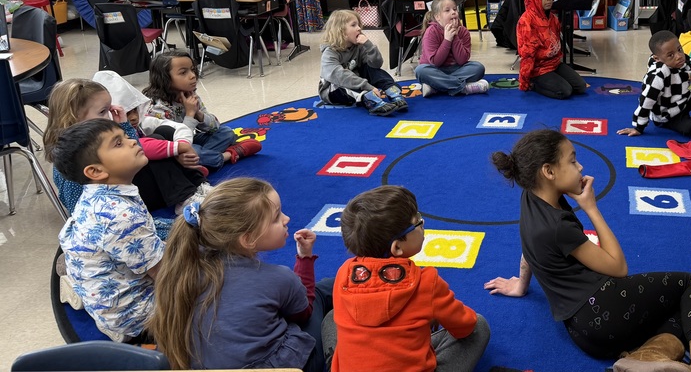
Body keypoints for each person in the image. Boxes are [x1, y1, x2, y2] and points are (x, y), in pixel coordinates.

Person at [486, 130, 691, 371]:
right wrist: (591, 208)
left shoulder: (530, 196)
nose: (580, 167)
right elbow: (618, 267)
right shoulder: (558, 226)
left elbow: (528, 246)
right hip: (605, 312)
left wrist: (521, 285)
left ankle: (644, 357)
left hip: (583, 333)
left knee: (680, 309)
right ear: (549, 171)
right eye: (572, 161)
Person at [151, 178, 334, 372]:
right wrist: (304, 258)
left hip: (200, 365)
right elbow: (303, 313)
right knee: (321, 295)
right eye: (276, 217)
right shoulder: (277, 277)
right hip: (277, 366)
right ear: (247, 239)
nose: (286, 219)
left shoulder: (182, 269)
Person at [332, 185, 490, 372]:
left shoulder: (344, 275)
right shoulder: (426, 282)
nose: (423, 225)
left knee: (330, 319)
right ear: (397, 247)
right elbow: (465, 326)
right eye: (418, 223)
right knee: (479, 326)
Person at [53, 118, 164, 343]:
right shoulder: (122, 216)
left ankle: (81, 290)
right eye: (118, 143)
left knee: (170, 230)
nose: (132, 141)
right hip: (139, 316)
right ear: (95, 171)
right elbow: (165, 274)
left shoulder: (96, 193)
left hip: (106, 291)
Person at [43, 78, 209, 220]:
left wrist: (124, 125)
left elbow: (134, 148)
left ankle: (195, 187)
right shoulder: (73, 158)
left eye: (109, 109)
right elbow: (78, 208)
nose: (109, 116)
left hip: (125, 191)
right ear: (73, 120)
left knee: (157, 140)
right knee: (153, 149)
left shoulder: (95, 136)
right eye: (102, 111)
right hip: (116, 206)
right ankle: (186, 196)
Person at [144, 50, 261, 171]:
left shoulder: (189, 94)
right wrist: (189, 114)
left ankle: (199, 164)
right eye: (183, 72)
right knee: (194, 151)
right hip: (174, 148)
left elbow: (215, 127)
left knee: (226, 133)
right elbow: (180, 143)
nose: (192, 75)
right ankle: (228, 155)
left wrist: (198, 114)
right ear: (164, 78)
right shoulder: (157, 107)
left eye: (192, 69)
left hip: (190, 142)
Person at [617, 30, 691, 139]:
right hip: (669, 116)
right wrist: (639, 127)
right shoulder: (658, 75)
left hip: (685, 98)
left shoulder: (683, 60)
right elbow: (646, 101)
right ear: (657, 59)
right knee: (690, 128)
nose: (678, 56)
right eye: (670, 55)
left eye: (679, 49)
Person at [318, 9, 407, 116]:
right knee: (342, 86)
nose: (359, 28)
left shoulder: (358, 47)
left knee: (371, 69)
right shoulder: (330, 53)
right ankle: (371, 100)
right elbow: (341, 76)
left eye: (359, 25)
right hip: (333, 90)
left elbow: (376, 64)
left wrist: (368, 45)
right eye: (354, 25)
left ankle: (393, 92)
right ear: (341, 31)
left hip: (356, 82)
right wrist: (367, 87)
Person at [516, 0, 587, 100]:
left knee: (581, 87)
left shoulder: (553, 18)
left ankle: (554, 81)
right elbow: (527, 55)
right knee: (565, 92)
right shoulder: (526, 21)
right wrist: (524, 81)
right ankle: (535, 85)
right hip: (538, 69)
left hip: (554, 64)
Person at [415, 0, 489, 97]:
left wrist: (454, 37)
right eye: (447, 10)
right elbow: (436, 62)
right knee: (420, 71)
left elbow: (462, 60)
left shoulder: (463, 31)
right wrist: (447, 40)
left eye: (455, 9)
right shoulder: (431, 32)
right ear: (437, 17)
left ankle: (436, 87)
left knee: (478, 68)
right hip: (435, 69)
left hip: (456, 68)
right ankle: (464, 88)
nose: (453, 12)